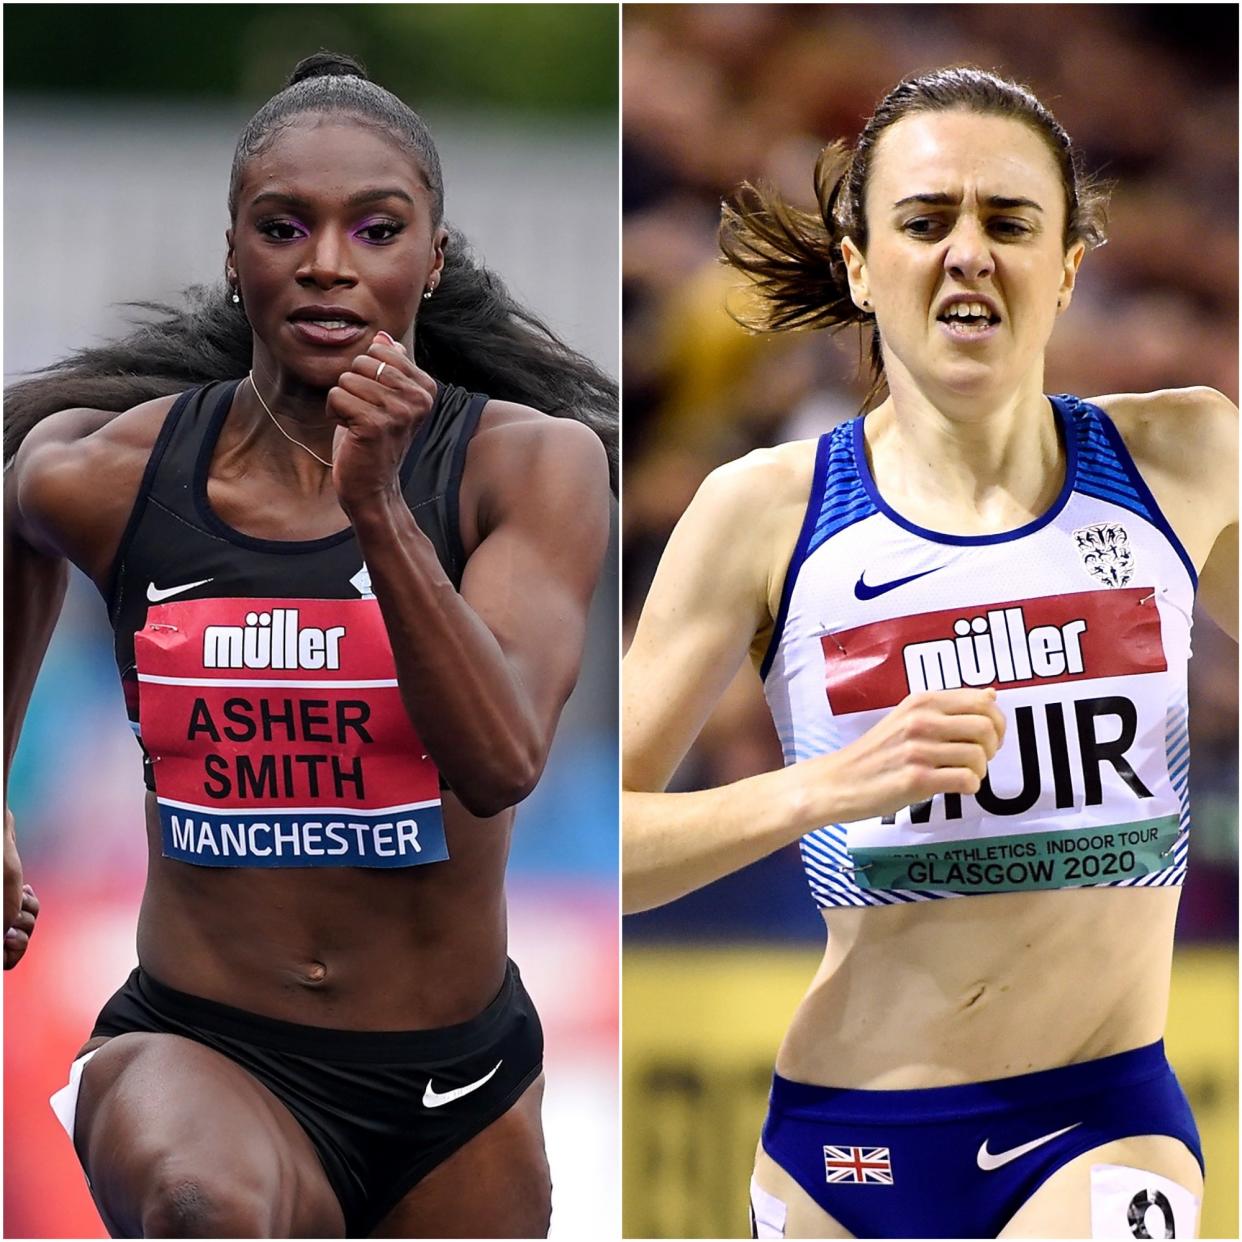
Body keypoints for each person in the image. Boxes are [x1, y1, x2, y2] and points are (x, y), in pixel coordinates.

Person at [5, 52, 615, 1239]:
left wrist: (379, 509)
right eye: (285, 227)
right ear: (236, 254)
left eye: (375, 229)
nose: (329, 262)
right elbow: (15, 510)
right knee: (201, 1205)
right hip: (198, 1045)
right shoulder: (121, 476)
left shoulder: (528, 468)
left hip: (457, 1087)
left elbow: (496, 760)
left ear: (431, 258)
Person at [622, 66, 1236, 1240]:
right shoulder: (767, 511)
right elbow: (609, 846)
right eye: (924, 220)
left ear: (1065, 266)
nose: (968, 252)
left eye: (1009, 222)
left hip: (1103, 1117)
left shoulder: (1186, 459)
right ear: (860, 264)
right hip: (846, 1142)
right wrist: (828, 786)